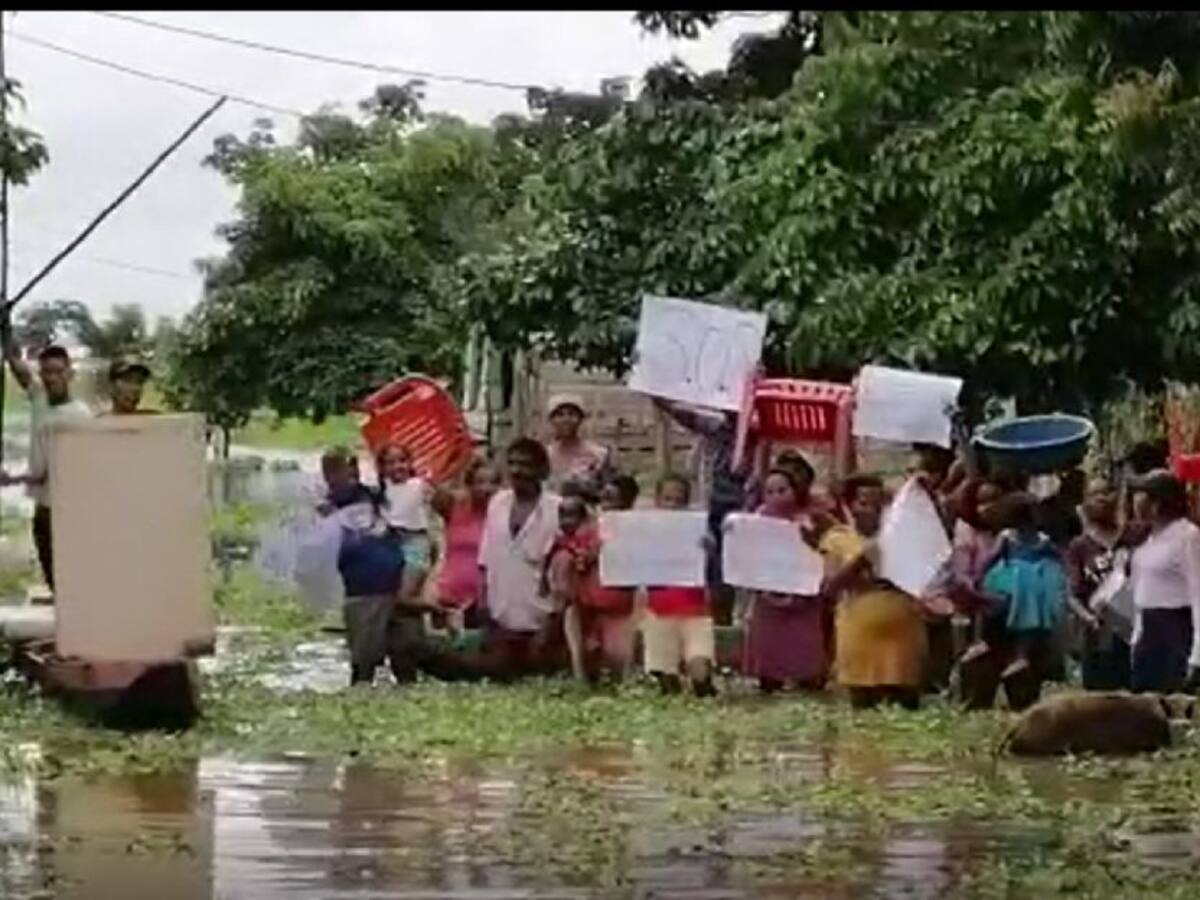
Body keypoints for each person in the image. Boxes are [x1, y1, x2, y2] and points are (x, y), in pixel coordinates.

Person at [818, 474, 929, 710]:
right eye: (864, 504)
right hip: (859, 636)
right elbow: (829, 588)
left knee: (907, 709)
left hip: (903, 635)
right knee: (863, 707)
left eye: (880, 504)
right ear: (850, 506)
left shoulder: (903, 538)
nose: (873, 511)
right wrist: (860, 560)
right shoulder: (838, 539)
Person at [653, 397, 758, 626]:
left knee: (737, 570)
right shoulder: (716, 426)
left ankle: (733, 620)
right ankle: (717, 621)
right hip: (713, 507)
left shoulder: (758, 432)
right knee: (712, 566)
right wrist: (658, 395)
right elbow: (684, 415)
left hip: (744, 511)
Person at [0, 341, 92, 591]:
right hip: (43, 506)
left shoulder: (80, 416)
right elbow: (20, 372)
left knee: (69, 577)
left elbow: (59, 472)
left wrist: (15, 479)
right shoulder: (40, 398)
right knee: (52, 575)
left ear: (70, 374)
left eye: (58, 372)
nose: (52, 378)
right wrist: (7, 342)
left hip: (66, 510)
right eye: (46, 372)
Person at [476, 437, 565, 676]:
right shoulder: (497, 503)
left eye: (525, 465)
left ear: (541, 470)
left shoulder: (559, 510)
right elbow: (485, 560)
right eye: (512, 463)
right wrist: (483, 603)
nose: (517, 471)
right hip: (501, 620)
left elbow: (564, 576)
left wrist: (550, 626)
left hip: (543, 623)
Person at [740, 467, 828, 693]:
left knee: (804, 646)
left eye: (782, 490)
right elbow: (747, 556)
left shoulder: (811, 518)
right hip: (767, 595)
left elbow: (823, 551)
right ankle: (769, 680)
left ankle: (808, 678)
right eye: (770, 491)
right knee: (769, 646)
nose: (776, 496)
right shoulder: (756, 521)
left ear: (795, 491)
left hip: (803, 597)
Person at [550, 473, 639, 682]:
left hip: (620, 609)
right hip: (585, 607)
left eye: (612, 499)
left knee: (617, 660)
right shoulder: (588, 529)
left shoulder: (637, 530)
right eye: (604, 497)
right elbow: (569, 551)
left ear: (627, 502)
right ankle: (579, 671)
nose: (606, 504)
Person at [641, 472, 717, 697]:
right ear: (657, 500)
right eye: (667, 499)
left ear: (687, 502)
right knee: (666, 679)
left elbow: (712, 566)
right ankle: (668, 680)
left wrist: (709, 548)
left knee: (700, 674)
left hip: (695, 609)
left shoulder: (697, 530)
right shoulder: (647, 530)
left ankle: (703, 683)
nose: (673, 505)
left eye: (679, 500)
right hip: (659, 610)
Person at [978, 492, 1067, 682]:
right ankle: (1021, 655)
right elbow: (1058, 557)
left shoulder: (1007, 537)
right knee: (1027, 622)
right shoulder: (1043, 539)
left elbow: (990, 559)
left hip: (1009, 580)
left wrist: (979, 576)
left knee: (999, 613)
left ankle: (990, 645)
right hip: (1035, 585)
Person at [1127, 470, 1200, 694]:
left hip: (1176, 629)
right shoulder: (1146, 540)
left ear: (1158, 501)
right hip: (1149, 631)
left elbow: (1198, 594)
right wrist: (1136, 639)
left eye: (1141, 495)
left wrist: (1197, 654)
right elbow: (1140, 595)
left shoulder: (1187, 536)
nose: (1135, 502)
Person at [1064, 477, 1134, 691]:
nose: (1102, 499)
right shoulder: (1080, 546)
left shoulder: (1131, 537)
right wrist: (1088, 618)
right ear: (1085, 504)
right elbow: (1072, 594)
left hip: (1133, 631)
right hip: (1098, 635)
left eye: (1106, 492)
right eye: (1095, 495)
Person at [430, 456, 503, 630]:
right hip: (449, 596)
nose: (487, 489)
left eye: (493, 483)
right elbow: (437, 497)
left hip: (486, 601)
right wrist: (456, 465)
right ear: (470, 485)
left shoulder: (504, 514)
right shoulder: (455, 507)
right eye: (480, 482)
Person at [376, 443, 435, 614]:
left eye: (402, 460)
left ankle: (439, 609)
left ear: (410, 462)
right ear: (382, 466)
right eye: (390, 462)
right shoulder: (381, 489)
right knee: (390, 597)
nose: (397, 466)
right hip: (390, 545)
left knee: (404, 597)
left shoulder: (419, 485)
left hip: (415, 543)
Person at [543, 393, 616, 498]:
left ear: (581, 419)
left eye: (571, 414)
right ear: (551, 420)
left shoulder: (599, 454)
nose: (566, 420)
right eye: (560, 415)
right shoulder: (543, 456)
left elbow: (609, 490)